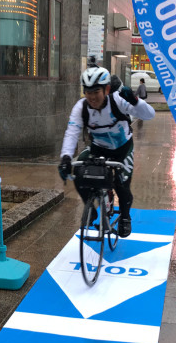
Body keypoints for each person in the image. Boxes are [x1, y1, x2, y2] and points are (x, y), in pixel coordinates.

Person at [58, 59, 155, 237]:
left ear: (107, 90)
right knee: (79, 173)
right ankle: (92, 208)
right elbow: (72, 132)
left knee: (122, 184)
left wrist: (134, 101)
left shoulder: (118, 101)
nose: (92, 97)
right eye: (88, 92)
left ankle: (125, 217)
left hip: (122, 149)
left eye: (96, 92)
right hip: (98, 148)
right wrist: (65, 157)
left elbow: (149, 114)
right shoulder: (81, 107)